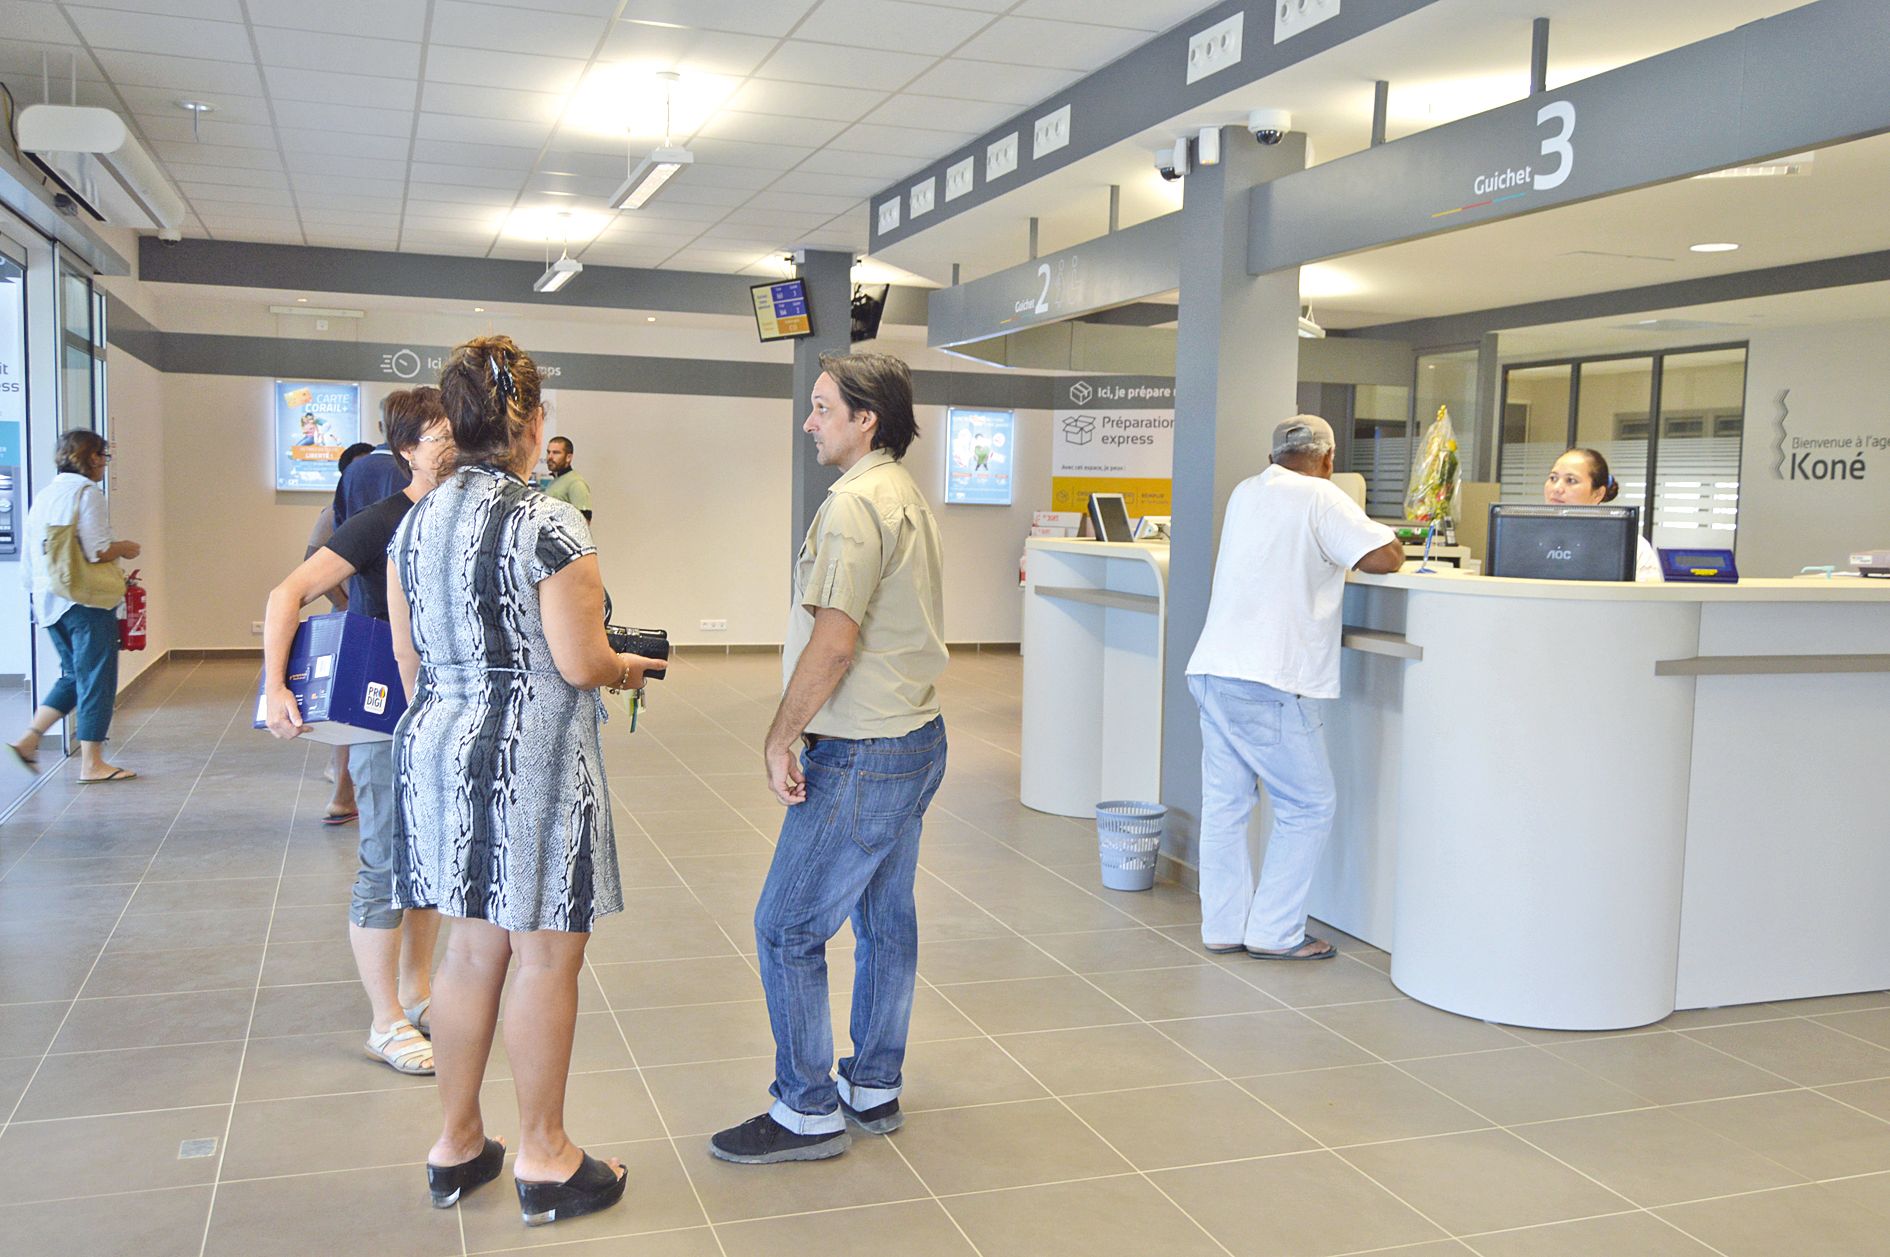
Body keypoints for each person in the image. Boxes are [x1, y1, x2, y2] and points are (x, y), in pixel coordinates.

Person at [388, 336, 664, 1224]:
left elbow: (409, 659)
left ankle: (457, 1144)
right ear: (533, 422)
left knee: (470, 950)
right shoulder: (549, 524)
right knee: (544, 954)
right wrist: (630, 667)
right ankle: (545, 1155)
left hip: (439, 753)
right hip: (532, 764)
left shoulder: (413, 524)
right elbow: (581, 662)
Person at [711, 351, 948, 1165]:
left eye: (822, 407)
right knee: (885, 921)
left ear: (864, 418)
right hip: (914, 738)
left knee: (785, 926)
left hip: (864, 752)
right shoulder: (902, 492)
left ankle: (807, 1108)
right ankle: (873, 1084)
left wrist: (781, 735)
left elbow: (835, 642)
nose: (809, 422)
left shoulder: (854, 506)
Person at [260, 389, 454, 1077]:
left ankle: (417, 992)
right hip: (384, 713)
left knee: (430, 861)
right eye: (439, 436)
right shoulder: (383, 518)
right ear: (406, 450)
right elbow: (287, 593)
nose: (453, 446)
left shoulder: (458, 517)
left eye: (456, 433)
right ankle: (384, 1021)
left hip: (445, 710)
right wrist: (275, 687)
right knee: (387, 861)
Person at [1185, 415, 1405, 961]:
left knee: (1226, 805)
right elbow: (1386, 558)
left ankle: (1223, 926)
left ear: (1271, 458)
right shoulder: (1320, 495)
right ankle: (1274, 932)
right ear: (1329, 459)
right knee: (1308, 804)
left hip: (1214, 668)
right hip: (1269, 677)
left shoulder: (1246, 491)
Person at [10, 431, 142, 782]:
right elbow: (98, 550)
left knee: (73, 675)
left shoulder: (46, 494)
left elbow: (30, 555)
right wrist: (126, 548)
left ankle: (28, 740)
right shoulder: (87, 493)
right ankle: (92, 763)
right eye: (103, 456)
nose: (104, 464)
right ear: (92, 457)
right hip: (85, 600)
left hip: (48, 599)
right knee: (97, 678)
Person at [307, 441, 375, 823]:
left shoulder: (385, 509)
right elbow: (311, 566)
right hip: (351, 622)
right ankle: (343, 794)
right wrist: (347, 604)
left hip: (378, 621)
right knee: (347, 709)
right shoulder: (332, 514)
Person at [334, 398, 414, 610]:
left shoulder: (352, 472)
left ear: (380, 426)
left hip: (362, 599)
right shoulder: (413, 471)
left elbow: (338, 536)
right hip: (406, 601)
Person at [1544, 447, 1664, 581]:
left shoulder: (1630, 547)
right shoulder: (1528, 537)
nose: (1556, 488)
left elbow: (1645, 593)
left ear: (1597, 494)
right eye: (1553, 478)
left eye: (1571, 480)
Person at [542, 436, 592, 522]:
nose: (550, 457)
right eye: (548, 452)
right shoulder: (553, 482)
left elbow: (584, 521)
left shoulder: (576, 483)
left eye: (556, 453)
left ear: (568, 457)